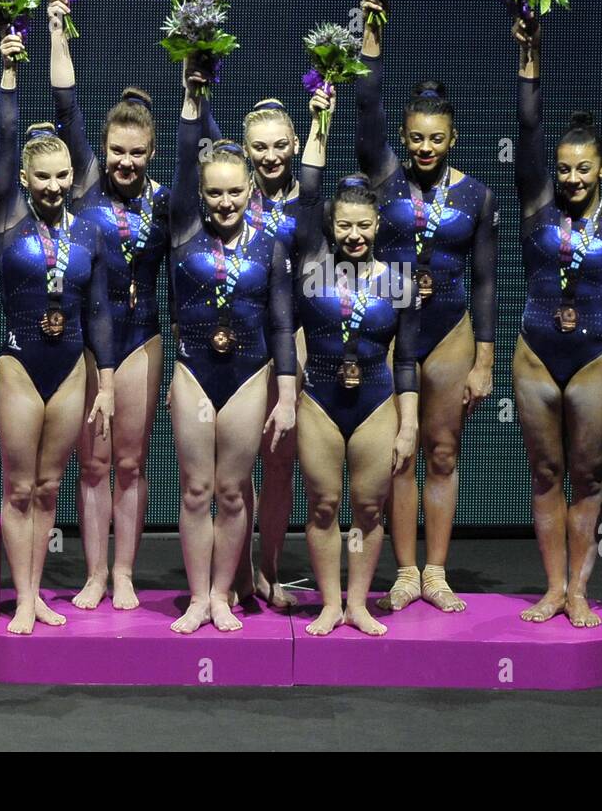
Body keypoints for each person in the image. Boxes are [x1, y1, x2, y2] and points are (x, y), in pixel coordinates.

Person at [355, 0, 496, 614]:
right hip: (389, 330)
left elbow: (488, 279)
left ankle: (436, 571)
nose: (424, 147)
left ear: (453, 137)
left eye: (436, 138)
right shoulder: (385, 179)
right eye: (415, 137)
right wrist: (370, 36)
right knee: (398, 453)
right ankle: (404, 569)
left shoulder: (478, 196)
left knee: (442, 451)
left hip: (451, 331)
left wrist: (486, 357)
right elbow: (366, 105)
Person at [510, 18, 602, 626]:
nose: (570, 178)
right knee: (546, 473)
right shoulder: (537, 209)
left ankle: (580, 591)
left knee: (587, 476)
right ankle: (551, 586)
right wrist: (529, 58)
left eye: (582, 169)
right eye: (563, 169)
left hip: (595, 360)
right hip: (535, 354)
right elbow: (530, 129)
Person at [46, 0, 170, 610]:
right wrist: (57, 29)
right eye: (116, 151)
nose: (124, 162)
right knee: (91, 464)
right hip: (89, 344)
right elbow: (66, 106)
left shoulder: (168, 202)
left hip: (142, 336)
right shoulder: (87, 185)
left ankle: (124, 571)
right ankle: (93, 573)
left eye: (136, 153)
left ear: (151, 153)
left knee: (130, 460)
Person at [0, 29, 114, 635]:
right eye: (43, 178)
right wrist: (10, 73)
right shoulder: (9, 213)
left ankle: (39, 592)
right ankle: (21, 597)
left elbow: (98, 312)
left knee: (49, 486)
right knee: (19, 486)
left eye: (63, 176)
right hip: (19, 363)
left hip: (71, 369)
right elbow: (8, 140)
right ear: (27, 180)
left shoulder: (88, 230)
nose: (54, 186)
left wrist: (108, 383)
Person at [168, 62, 296, 634]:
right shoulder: (183, 230)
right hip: (194, 371)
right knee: (196, 489)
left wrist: (287, 395)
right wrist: (193, 97)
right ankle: (197, 597)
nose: (224, 203)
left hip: (250, 375)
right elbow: (184, 149)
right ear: (201, 194)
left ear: (251, 191)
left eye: (234, 192)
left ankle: (224, 593)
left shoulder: (269, 245)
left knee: (231, 490)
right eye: (214, 193)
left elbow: (281, 319)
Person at [293, 87, 419, 635]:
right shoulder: (312, 268)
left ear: (377, 227)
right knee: (323, 506)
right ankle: (327, 603)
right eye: (344, 225)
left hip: (376, 402)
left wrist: (409, 423)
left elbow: (409, 358)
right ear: (332, 227)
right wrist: (320, 122)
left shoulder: (398, 283)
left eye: (364, 226)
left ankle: (360, 603)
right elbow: (307, 194)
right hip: (319, 400)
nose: (354, 234)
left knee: (369, 510)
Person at [236, 97, 304, 610]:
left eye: (281, 145)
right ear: (245, 150)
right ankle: (237, 571)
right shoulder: (231, 198)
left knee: (279, 464)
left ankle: (270, 569)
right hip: (239, 337)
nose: (271, 155)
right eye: (260, 147)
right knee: (238, 465)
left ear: (297, 145)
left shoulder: (314, 204)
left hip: (296, 341)